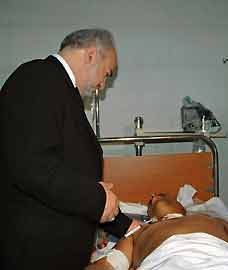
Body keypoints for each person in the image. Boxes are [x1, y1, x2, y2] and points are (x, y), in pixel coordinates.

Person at [0, 29, 139, 270]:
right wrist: (97, 196)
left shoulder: (59, 90)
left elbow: (68, 178)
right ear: (91, 55)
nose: (102, 85)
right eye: (107, 74)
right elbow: (32, 166)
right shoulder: (38, 78)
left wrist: (126, 226)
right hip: (33, 254)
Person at [87, 194, 228, 270]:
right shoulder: (140, 233)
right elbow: (109, 265)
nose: (155, 196)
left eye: (164, 194)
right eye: (151, 200)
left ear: (183, 206)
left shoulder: (210, 220)